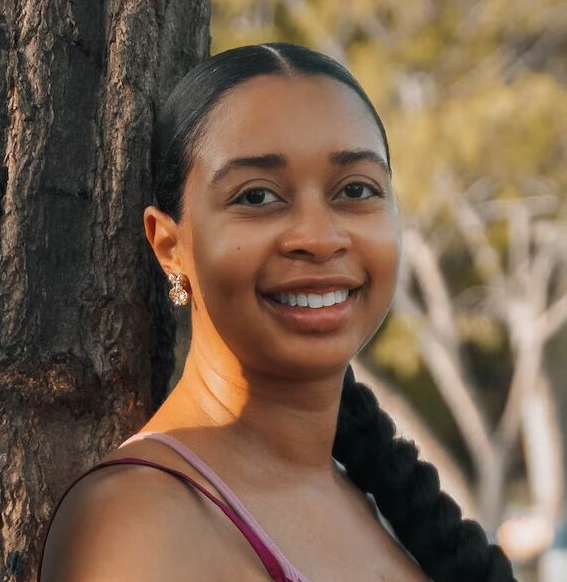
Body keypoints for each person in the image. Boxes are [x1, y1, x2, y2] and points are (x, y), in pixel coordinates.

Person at [39, 43, 517, 582]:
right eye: (258, 197)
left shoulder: (377, 506)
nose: (318, 238)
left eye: (355, 189)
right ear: (170, 245)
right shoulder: (140, 520)